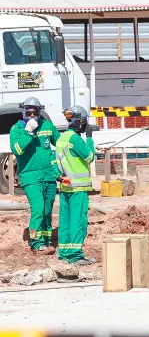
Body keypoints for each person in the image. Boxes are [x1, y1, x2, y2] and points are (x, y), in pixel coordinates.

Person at [10, 97, 60, 255]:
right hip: (30, 177)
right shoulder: (17, 129)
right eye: (28, 112)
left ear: (40, 113)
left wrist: (56, 162)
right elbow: (17, 149)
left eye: (35, 113)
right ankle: (36, 243)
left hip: (49, 176)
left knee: (46, 210)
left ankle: (45, 240)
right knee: (38, 209)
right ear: (23, 113)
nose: (32, 116)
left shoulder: (47, 126)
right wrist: (28, 133)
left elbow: (61, 144)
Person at [55, 105, 96, 265]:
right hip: (78, 188)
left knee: (65, 221)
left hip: (65, 186)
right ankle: (76, 255)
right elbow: (90, 156)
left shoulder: (62, 138)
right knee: (78, 220)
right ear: (80, 122)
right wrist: (90, 138)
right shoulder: (75, 139)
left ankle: (64, 252)